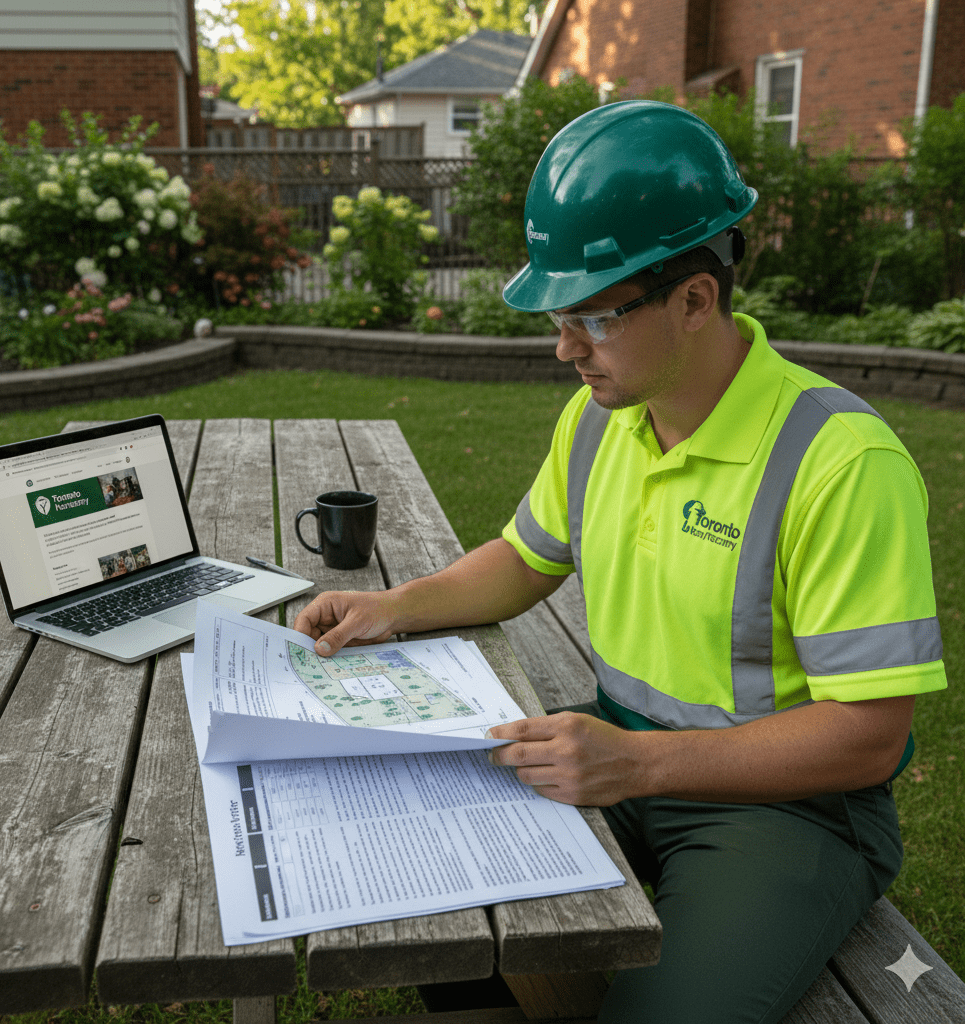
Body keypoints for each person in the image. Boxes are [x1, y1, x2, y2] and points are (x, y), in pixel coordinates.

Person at [294, 101, 947, 1024]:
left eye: (591, 319)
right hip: (619, 744)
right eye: (559, 319)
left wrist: (638, 765)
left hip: (788, 810)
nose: (566, 350)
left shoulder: (841, 462)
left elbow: (871, 735)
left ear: (694, 299)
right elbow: (526, 559)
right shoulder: (603, 418)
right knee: (428, 886)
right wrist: (395, 605)